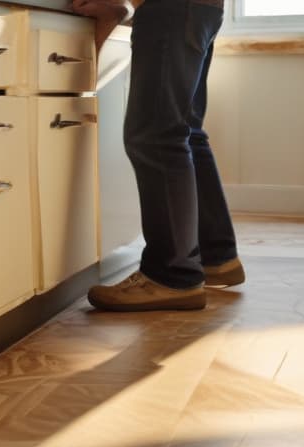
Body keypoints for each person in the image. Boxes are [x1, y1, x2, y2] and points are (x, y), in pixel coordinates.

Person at [71, 0, 245, 312]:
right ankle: (215, 255)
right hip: (199, 8)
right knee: (184, 131)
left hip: (170, 7)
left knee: (157, 136)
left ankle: (172, 276)